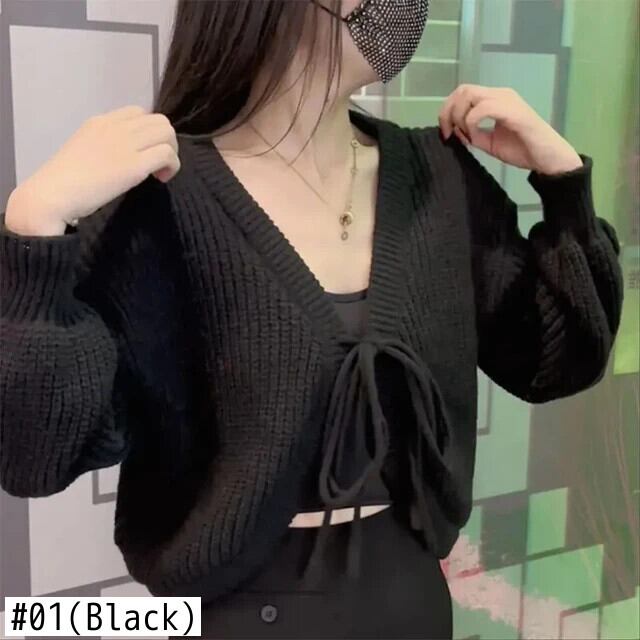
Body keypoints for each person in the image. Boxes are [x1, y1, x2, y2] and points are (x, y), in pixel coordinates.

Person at [0, 1, 624, 638]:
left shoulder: (436, 177)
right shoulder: (162, 198)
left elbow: (559, 361)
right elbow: (34, 455)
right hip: (231, 617)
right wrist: (36, 226)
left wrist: (564, 184)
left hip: (409, 605)